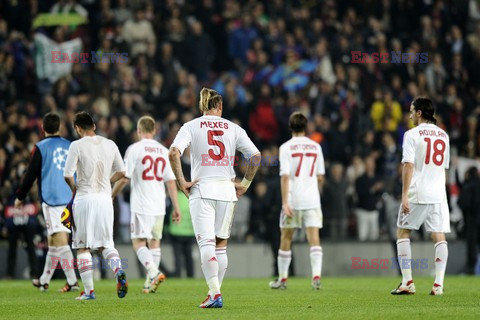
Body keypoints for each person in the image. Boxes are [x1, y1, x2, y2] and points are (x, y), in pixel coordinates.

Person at [168, 87, 261, 308]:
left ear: (202, 106)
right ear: (220, 106)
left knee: (206, 244)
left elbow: (173, 152)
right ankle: (214, 293)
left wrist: (182, 182)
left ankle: (215, 293)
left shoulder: (190, 126)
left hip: (203, 190)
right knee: (221, 246)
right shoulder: (233, 128)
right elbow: (256, 157)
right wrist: (245, 184)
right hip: (227, 191)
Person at [112, 115, 181, 293]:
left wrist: (111, 194)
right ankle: (150, 282)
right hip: (159, 204)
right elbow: (171, 182)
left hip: (141, 204)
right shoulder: (163, 150)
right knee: (155, 242)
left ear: (139, 130)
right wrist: (176, 207)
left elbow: (125, 177)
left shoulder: (135, 149)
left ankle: (153, 272)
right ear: (155, 130)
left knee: (138, 242)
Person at [63, 111, 128, 300]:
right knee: (106, 244)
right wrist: (107, 181)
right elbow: (122, 172)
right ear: (94, 126)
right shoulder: (110, 143)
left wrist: (75, 188)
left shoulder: (76, 145)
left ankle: (89, 291)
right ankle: (118, 271)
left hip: (85, 198)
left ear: (77, 128)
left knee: (83, 247)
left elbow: (67, 174)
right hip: (105, 199)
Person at [391, 97, 450, 296]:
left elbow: (408, 165)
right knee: (439, 236)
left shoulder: (411, 134)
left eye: (411, 110)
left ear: (419, 113)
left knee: (402, 232)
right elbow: (444, 167)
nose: (409, 114)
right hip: (438, 194)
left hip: (418, 191)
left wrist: (404, 195)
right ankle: (438, 285)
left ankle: (407, 282)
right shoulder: (444, 135)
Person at [15, 112, 79, 292]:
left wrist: (20, 196)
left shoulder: (41, 147)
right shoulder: (70, 146)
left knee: (59, 240)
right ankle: (44, 280)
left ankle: (72, 281)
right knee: (53, 239)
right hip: (69, 197)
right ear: (60, 127)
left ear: (42, 128)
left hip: (52, 199)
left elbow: (30, 174)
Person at [269, 112, 325, 290]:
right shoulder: (316, 147)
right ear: (306, 126)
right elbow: (321, 177)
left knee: (286, 238)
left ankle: (283, 280)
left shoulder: (286, 147)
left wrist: (285, 203)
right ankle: (316, 277)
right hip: (312, 199)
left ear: (290, 127)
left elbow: (285, 177)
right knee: (313, 238)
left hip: (293, 200)